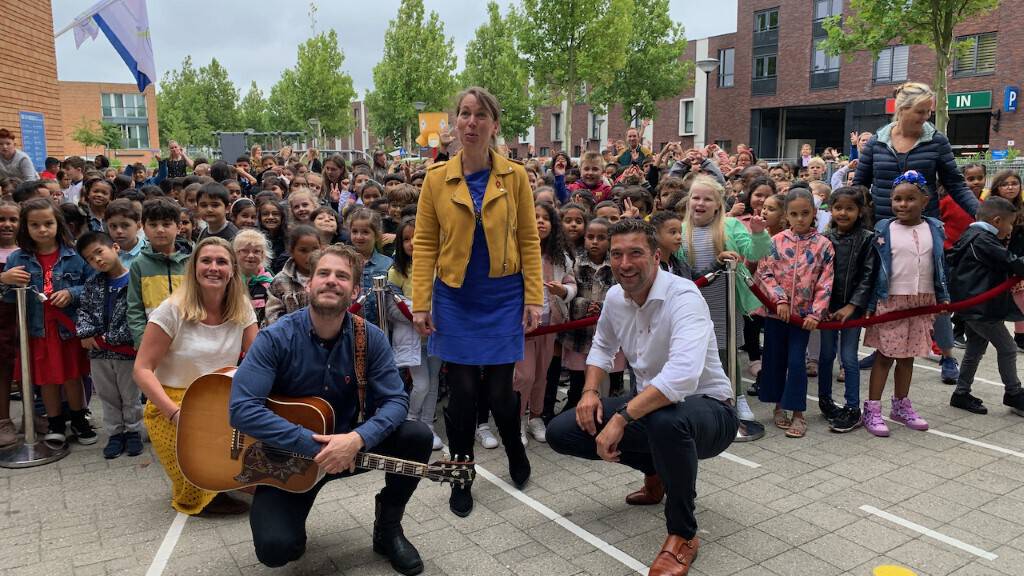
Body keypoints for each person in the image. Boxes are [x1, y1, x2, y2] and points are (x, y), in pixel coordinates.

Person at [546, 218, 738, 576]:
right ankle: (656, 473)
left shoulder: (684, 296)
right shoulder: (617, 296)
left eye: (635, 253)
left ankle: (683, 534)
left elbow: (682, 377)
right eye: (617, 254)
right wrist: (589, 392)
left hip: (710, 411)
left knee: (667, 420)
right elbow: (602, 347)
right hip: (651, 408)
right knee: (564, 431)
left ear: (656, 256)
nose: (624, 263)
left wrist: (620, 418)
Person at [230, 244, 431, 574]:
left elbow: (396, 402)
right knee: (277, 549)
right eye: (323, 273)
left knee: (416, 436)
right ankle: (292, 525)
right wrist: (316, 445)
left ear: (355, 290)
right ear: (309, 284)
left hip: (348, 445)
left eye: (342, 276)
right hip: (286, 457)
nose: (331, 281)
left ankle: (388, 528)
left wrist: (356, 440)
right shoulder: (276, 338)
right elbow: (242, 410)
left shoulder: (372, 338)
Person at [412, 86, 541, 518]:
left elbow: (529, 239)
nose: (471, 122)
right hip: (454, 295)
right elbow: (426, 244)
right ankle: (461, 473)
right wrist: (421, 302)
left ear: (494, 124)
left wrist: (534, 297)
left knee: (502, 390)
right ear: (454, 123)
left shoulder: (515, 176)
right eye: (464, 114)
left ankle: (514, 453)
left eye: (480, 115)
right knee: (463, 393)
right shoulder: (435, 179)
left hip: (504, 294)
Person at [853, 82, 975, 382]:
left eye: (928, 111)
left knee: (935, 288)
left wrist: (981, 213)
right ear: (902, 110)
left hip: (925, 229)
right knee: (885, 291)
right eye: (920, 111)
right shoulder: (877, 143)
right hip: (884, 230)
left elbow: (956, 183)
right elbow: (860, 185)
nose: (925, 117)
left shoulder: (937, 141)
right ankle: (882, 347)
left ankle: (947, 355)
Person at [133, 237, 258, 514]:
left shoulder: (242, 307)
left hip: (223, 401)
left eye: (222, 262)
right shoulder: (171, 310)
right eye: (206, 261)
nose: (213, 268)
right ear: (194, 268)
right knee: (200, 487)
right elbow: (141, 370)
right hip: (174, 405)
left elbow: (258, 360)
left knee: (262, 478)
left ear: (233, 270)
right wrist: (176, 414)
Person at [1, 198, 94, 444]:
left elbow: (93, 286)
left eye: (48, 223)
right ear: (26, 227)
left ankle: (79, 419)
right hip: (36, 332)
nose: (42, 229)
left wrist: (71, 293)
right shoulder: (17, 259)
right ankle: (55, 422)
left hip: (68, 330)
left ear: (58, 224)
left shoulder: (75, 256)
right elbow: (9, 299)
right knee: (46, 380)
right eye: (35, 225)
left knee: (73, 376)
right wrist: (5, 279)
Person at [862, 170, 948, 437]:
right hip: (891, 299)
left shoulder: (934, 227)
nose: (902, 204)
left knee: (908, 356)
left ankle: (901, 404)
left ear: (925, 201)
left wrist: (943, 296)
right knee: (885, 356)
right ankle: (872, 408)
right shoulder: (883, 228)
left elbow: (940, 264)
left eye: (910, 199)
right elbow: (873, 267)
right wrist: (868, 304)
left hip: (922, 299)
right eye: (897, 199)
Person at [756, 188, 834, 438]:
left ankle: (798, 412)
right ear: (786, 216)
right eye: (794, 214)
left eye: (805, 213)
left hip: (803, 319)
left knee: (796, 362)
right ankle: (778, 406)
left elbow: (826, 281)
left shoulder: (824, 245)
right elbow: (765, 273)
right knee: (774, 359)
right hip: (776, 315)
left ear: (814, 213)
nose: (800, 219)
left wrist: (816, 313)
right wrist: (778, 299)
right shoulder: (776, 241)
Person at [946, 197, 1024, 416]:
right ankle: (1014, 393)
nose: (1010, 230)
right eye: (1010, 224)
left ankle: (961, 393)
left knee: (975, 349)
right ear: (998, 221)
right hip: (981, 309)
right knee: (1008, 348)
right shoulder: (983, 239)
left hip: (977, 306)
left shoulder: (972, 235)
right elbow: (1011, 261)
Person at [75, 231, 143, 458]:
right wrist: (86, 333)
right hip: (99, 353)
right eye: (90, 259)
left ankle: (134, 431)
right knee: (107, 395)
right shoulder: (92, 283)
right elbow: (83, 310)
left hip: (126, 352)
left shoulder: (135, 278)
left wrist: (117, 338)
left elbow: (137, 315)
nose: (97, 260)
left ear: (115, 247)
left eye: (99, 252)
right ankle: (115, 434)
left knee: (129, 394)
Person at [818, 187, 877, 433]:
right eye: (838, 207)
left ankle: (853, 407)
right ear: (830, 209)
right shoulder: (825, 237)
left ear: (860, 211)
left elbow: (868, 275)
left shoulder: (867, 238)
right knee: (825, 355)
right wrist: (821, 305)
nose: (843, 213)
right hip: (827, 308)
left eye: (850, 208)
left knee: (849, 358)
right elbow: (818, 274)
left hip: (852, 310)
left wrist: (852, 306)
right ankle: (825, 401)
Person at [127, 199, 189, 348]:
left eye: (166, 224)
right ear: (143, 228)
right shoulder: (139, 264)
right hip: (153, 339)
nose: (160, 230)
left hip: (189, 337)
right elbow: (134, 307)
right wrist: (141, 340)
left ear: (179, 227)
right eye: (153, 225)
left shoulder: (192, 261)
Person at [264, 225, 321, 325]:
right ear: (291, 251)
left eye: (315, 249)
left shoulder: (327, 279)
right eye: (303, 250)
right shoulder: (280, 281)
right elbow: (273, 316)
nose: (310, 255)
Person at [0, 201, 18, 447]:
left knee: (27, 368)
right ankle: (4, 419)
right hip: (1, 321)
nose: (7, 224)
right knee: (3, 370)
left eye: (13, 220)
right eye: (2, 219)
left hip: (25, 318)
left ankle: (34, 414)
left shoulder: (26, 249)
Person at [233, 229, 274, 327]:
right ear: (235, 254)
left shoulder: (270, 282)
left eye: (256, 251)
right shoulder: (230, 280)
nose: (251, 255)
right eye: (244, 251)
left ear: (263, 254)